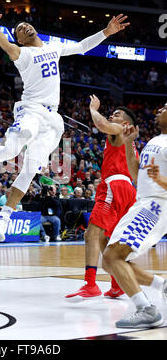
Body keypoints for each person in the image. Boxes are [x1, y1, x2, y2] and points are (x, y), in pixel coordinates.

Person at [0, 13, 130, 242]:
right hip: (30, 109)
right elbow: (9, 49)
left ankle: (4, 216)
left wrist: (107, 32)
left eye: (26, 24)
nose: (25, 27)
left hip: (52, 119)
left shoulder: (54, 47)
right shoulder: (23, 53)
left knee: (30, 167)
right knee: (11, 150)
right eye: (20, 28)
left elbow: (81, 46)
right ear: (19, 38)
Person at [66, 95, 139, 300]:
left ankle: (90, 284)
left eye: (116, 114)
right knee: (109, 239)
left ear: (126, 123)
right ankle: (117, 285)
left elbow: (101, 124)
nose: (111, 116)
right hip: (129, 190)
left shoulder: (118, 129)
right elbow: (136, 173)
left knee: (91, 233)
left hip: (113, 185)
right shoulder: (132, 143)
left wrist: (92, 109)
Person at [102, 104, 167, 328]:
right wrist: (130, 143)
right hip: (145, 202)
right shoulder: (155, 141)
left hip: (155, 206)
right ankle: (162, 287)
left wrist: (160, 182)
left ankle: (146, 310)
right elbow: (135, 174)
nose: (159, 109)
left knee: (113, 257)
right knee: (111, 263)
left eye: (166, 108)